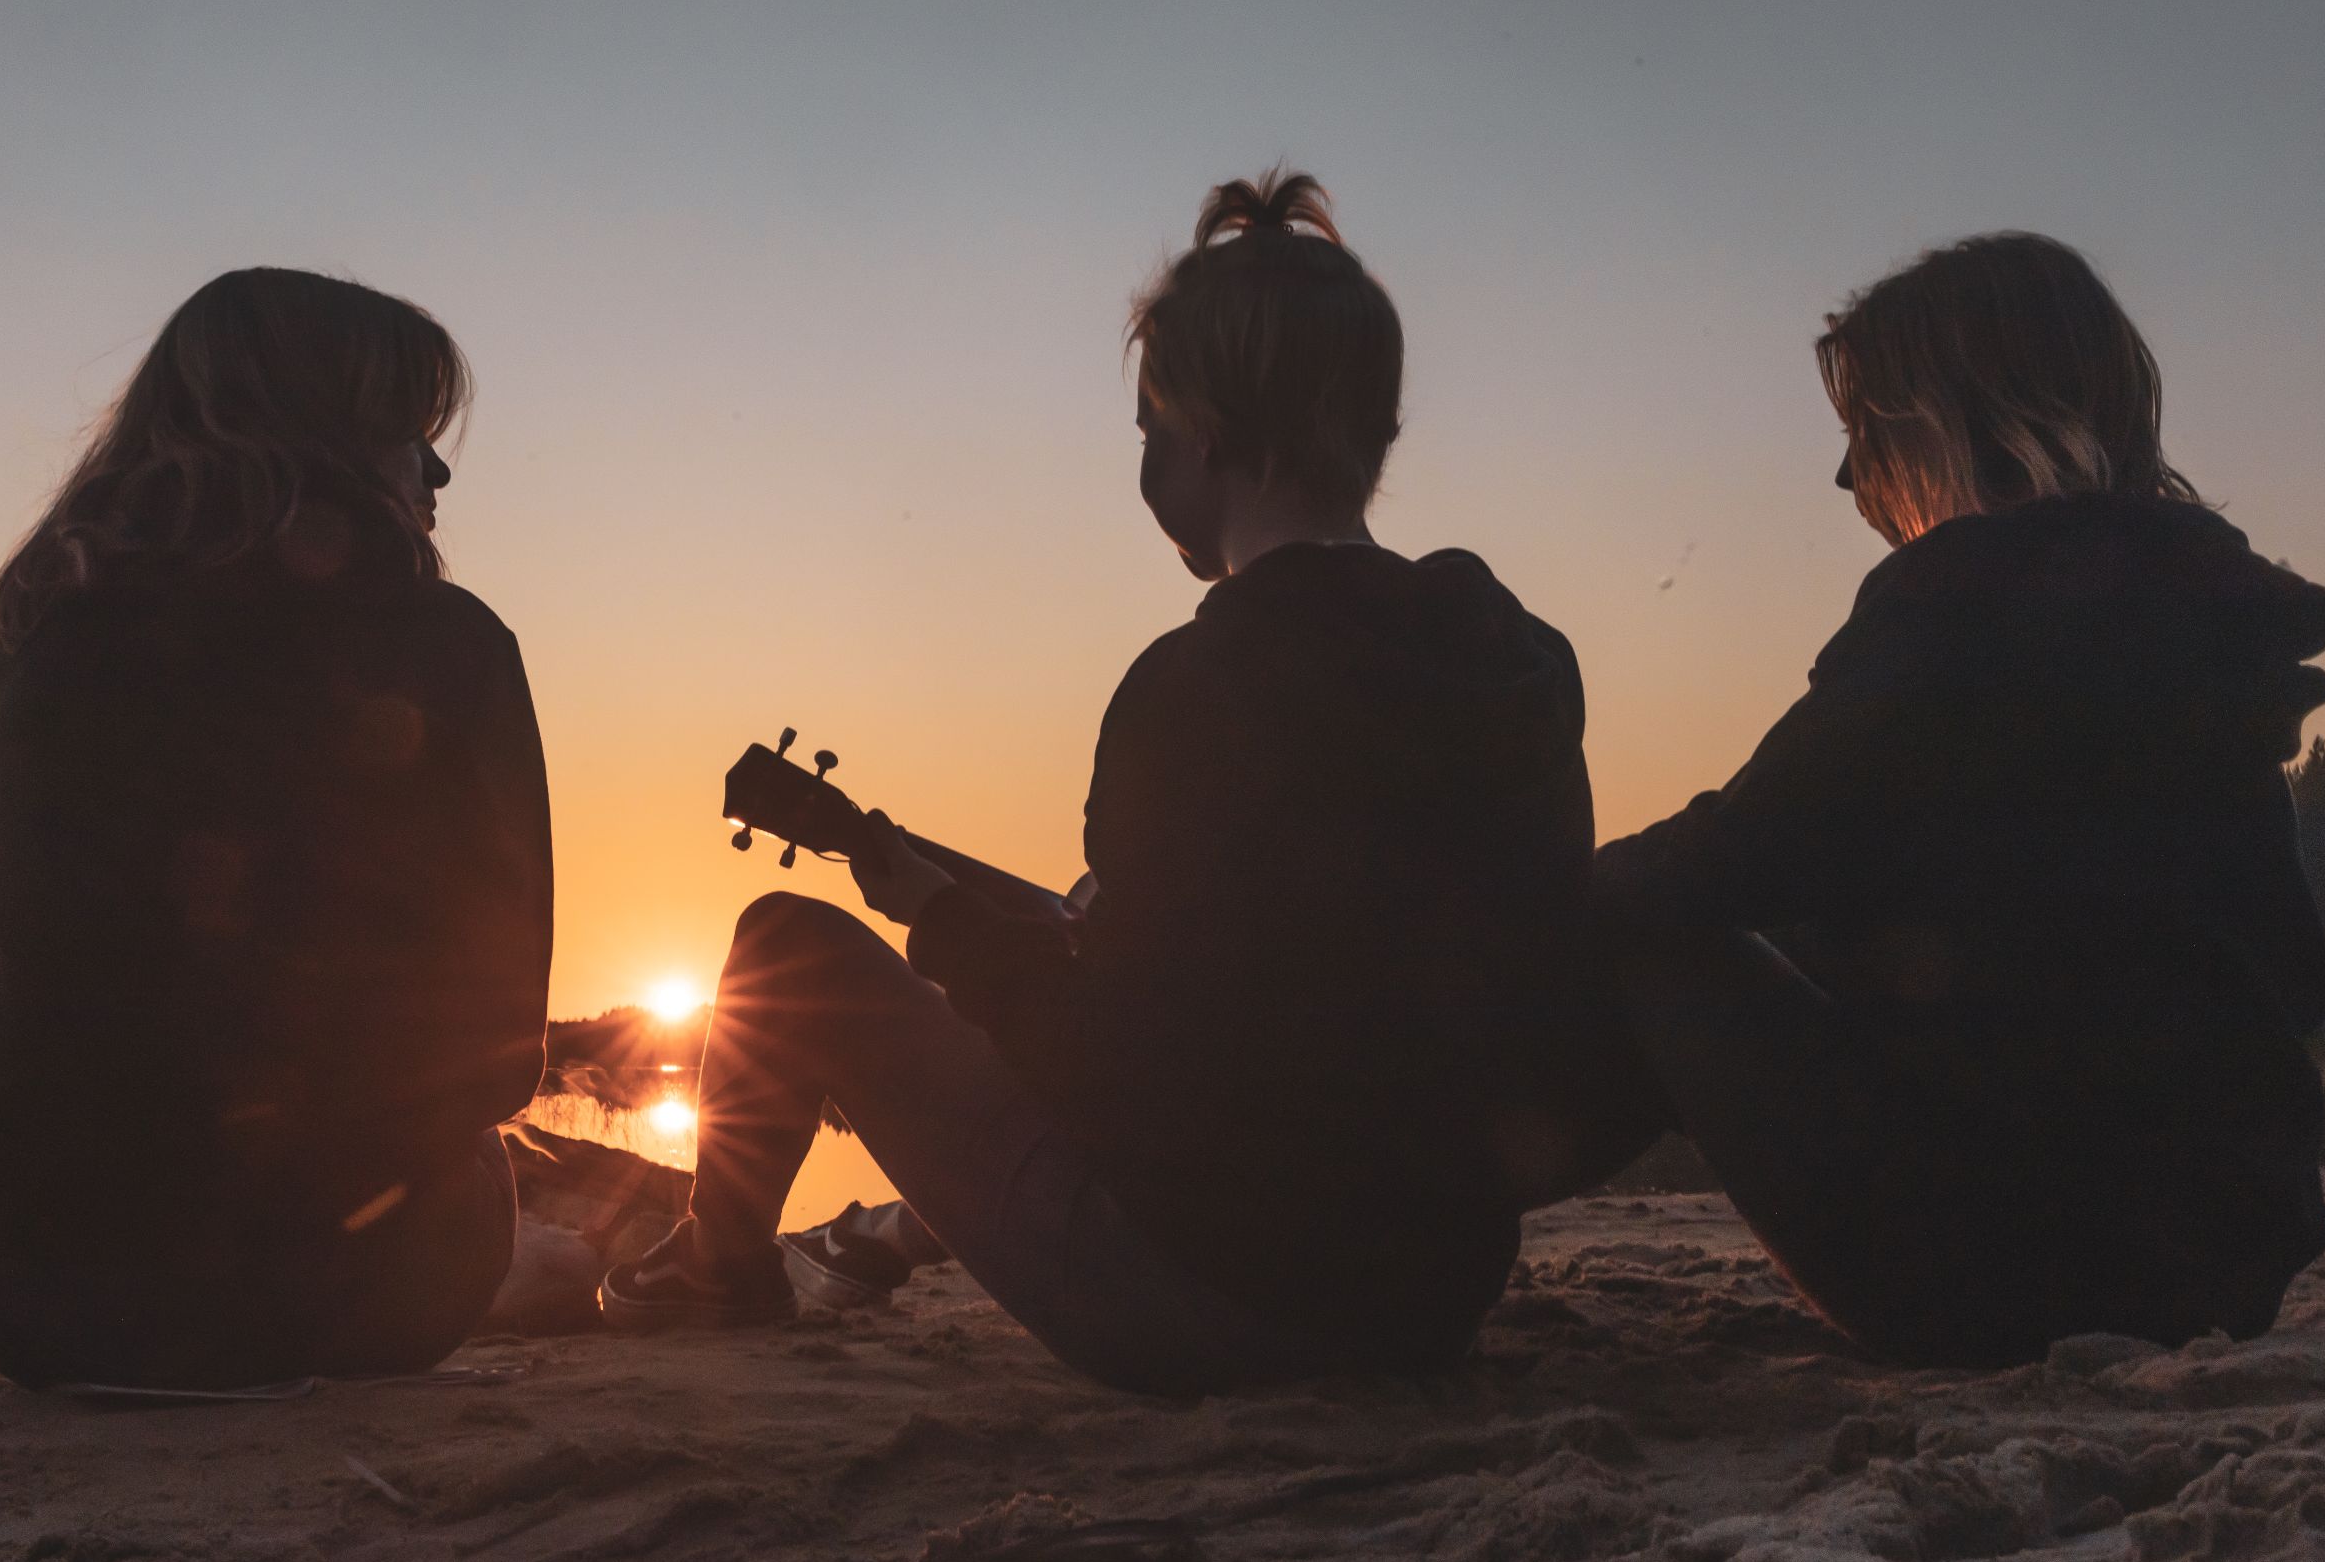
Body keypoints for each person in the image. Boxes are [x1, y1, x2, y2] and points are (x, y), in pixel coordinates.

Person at [601, 170, 1663, 1392]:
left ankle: (717, 1261)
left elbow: (1129, 1080)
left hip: (1220, 1303)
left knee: (785, 948)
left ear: (1202, 434)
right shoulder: (1520, 652)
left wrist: (944, 924)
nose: (1147, 458)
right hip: (1435, 1293)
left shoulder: (1190, 690)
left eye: (1148, 431)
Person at [1595, 233, 2325, 1368]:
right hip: (2225, 1263)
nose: (1849, 479)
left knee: (1646, 945)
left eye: (1864, 434)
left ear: (1956, 423)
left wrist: (1539, 884)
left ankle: (1375, 1215)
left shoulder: (1949, 618)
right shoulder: (2196, 631)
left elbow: (1735, 852)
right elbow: (2287, 974)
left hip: (1993, 1276)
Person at [0, 269, 553, 1391]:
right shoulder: (450, 647)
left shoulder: (48, 643)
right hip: (352, 1304)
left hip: (27, 1298)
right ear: (330, 437)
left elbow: (20, 925)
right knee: (479, 1168)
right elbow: (498, 1047)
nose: (439, 468)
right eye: (410, 433)